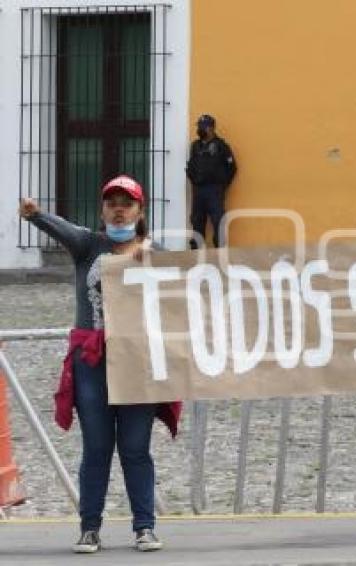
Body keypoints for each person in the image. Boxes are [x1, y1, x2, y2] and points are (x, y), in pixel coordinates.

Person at [19, 175, 182, 554]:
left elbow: (177, 305)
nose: (119, 208)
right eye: (112, 202)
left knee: (136, 447)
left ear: (140, 211)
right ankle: (89, 527)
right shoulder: (88, 245)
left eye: (127, 202)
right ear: (102, 209)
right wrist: (35, 214)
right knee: (96, 447)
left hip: (137, 365)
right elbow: (61, 228)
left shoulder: (155, 254)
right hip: (92, 363)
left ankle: (145, 527)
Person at [186, 114, 237, 248]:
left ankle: (219, 255)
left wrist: (222, 185)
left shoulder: (222, 146)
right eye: (199, 127)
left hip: (214, 190)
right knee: (197, 222)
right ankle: (196, 255)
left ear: (211, 128)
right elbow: (191, 167)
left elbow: (232, 168)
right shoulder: (195, 146)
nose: (199, 130)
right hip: (198, 190)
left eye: (202, 127)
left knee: (218, 222)